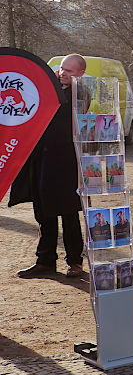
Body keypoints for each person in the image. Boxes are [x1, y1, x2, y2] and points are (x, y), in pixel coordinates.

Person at [10, 53, 87, 278]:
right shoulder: (50, 87)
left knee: (69, 214)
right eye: (62, 69)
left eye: (70, 71)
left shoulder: (80, 92)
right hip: (42, 161)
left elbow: (70, 105)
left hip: (66, 163)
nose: (63, 73)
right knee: (44, 212)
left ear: (80, 74)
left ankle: (75, 262)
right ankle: (45, 261)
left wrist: (52, 83)